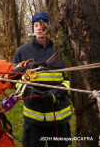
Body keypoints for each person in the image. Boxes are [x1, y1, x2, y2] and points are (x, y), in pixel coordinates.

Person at [13, 12, 72, 147]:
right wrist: (28, 92)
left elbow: (71, 80)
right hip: (33, 119)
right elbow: (14, 80)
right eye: (36, 25)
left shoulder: (62, 50)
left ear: (49, 26)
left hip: (59, 117)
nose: (39, 28)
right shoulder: (22, 52)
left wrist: (59, 92)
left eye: (43, 24)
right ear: (33, 28)